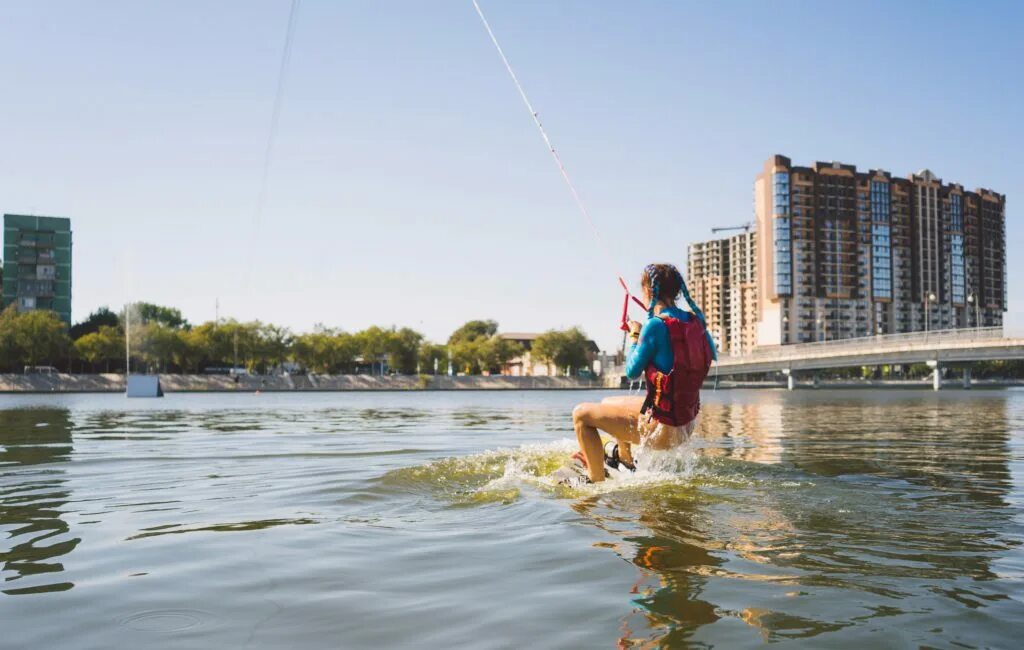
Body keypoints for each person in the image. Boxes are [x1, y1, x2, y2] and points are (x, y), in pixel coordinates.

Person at [570, 263, 716, 483]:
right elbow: (709, 355)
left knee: (581, 414)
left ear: (648, 291)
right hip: (686, 426)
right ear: (676, 291)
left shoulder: (655, 325)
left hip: (662, 431)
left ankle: (595, 479)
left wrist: (635, 336)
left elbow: (631, 371)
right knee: (608, 402)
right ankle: (626, 461)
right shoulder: (696, 322)